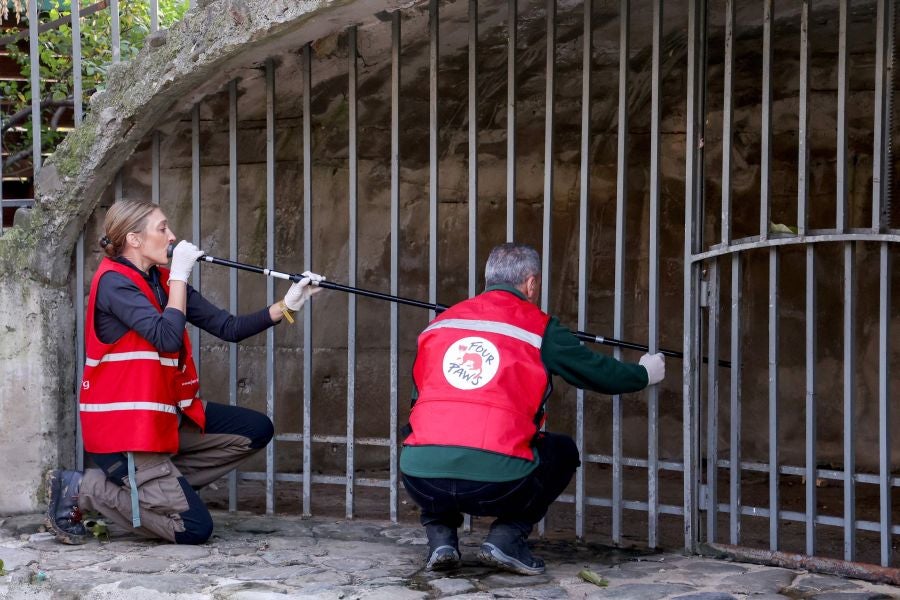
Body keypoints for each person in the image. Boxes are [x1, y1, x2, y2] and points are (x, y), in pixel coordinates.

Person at [46, 198, 325, 545]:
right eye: (162, 228)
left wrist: (287, 305)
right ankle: (84, 488)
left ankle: (160, 489)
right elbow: (165, 336)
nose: (172, 236)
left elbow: (229, 327)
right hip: (127, 434)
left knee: (255, 429)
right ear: (134, 239)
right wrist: (179, 276)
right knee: (194, 529)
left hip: (161, 420)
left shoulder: (161, 280)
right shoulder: (114, 284)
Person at [400, 243, 665, 575]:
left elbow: (417, 401)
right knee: (562, 451)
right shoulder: (541, 327)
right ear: (530, 283)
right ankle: (506, 538)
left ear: (487, 278)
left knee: (415, 432)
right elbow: (597, 372)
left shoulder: (439, 325)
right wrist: (643, 374)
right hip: (497, 484)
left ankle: (440, 537)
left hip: (423, 480)